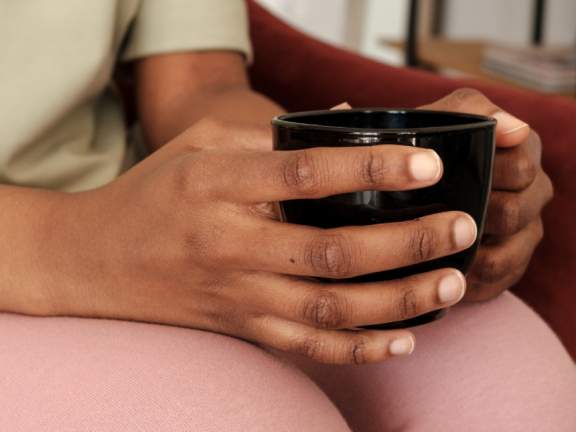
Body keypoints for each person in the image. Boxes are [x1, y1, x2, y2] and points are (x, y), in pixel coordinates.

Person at [0, 0, 574, 431]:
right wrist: (82, 245)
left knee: (510, 375)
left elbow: (199, 82)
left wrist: (329, 173)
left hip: (131, 202)